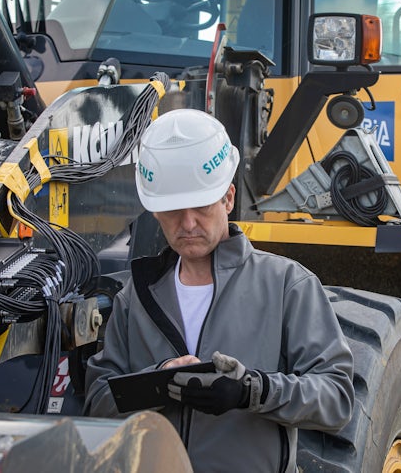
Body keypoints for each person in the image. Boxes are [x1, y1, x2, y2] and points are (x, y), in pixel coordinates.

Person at [84, 109, 354, 472]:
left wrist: (252, 391)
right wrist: (157, 380)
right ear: (155, 212)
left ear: (227, 199)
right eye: (173, 211)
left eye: (201, 206)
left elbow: (336, 400)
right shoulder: (136, 298)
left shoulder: (288, 285)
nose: (189, 223)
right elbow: (99, 400)